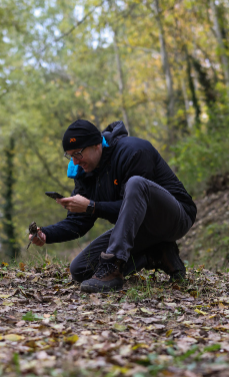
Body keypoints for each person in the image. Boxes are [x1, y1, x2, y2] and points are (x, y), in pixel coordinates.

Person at [28, 119, 197, 293]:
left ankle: (112, 267)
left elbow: (137, 206)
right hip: (140, 229)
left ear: (96, 145)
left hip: (175, 218)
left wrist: (92, 206)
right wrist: (46, 234)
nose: (75, 162)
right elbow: (78, 222)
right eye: (70, 156)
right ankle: (157, 253)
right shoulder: (85, 173)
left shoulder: (133, 151)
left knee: (136, 184)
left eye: (78, 154)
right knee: (80, 269)